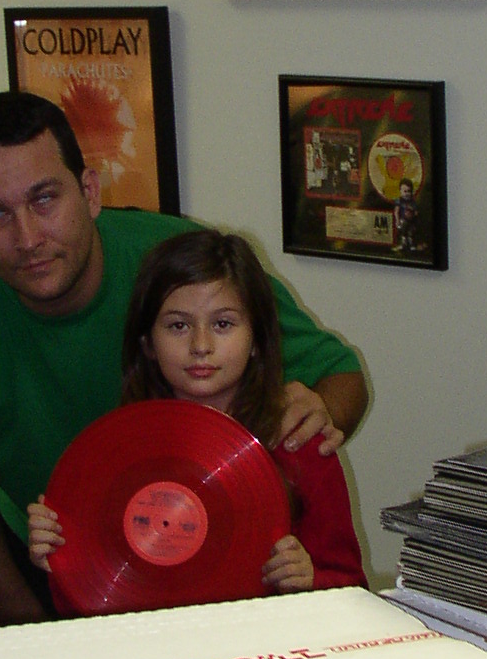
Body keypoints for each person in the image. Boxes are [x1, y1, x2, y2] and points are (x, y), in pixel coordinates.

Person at [0, 92, 368, 627]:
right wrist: (18, 613)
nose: (28, 238)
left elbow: (340, 376)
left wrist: (312, 430)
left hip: (238, 573)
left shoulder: (180, 267)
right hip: (60, 557)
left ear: (90, 192)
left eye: (45, 200)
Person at [28, 230, 366, 595]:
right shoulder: (117, 457)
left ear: (257, 339)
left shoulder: (299, 443)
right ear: (147, 344)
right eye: (178, 325)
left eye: (223, 324)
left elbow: (352, 586)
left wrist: (312, 579)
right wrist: (57, 555)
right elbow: (95, 595)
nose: (201, 345)